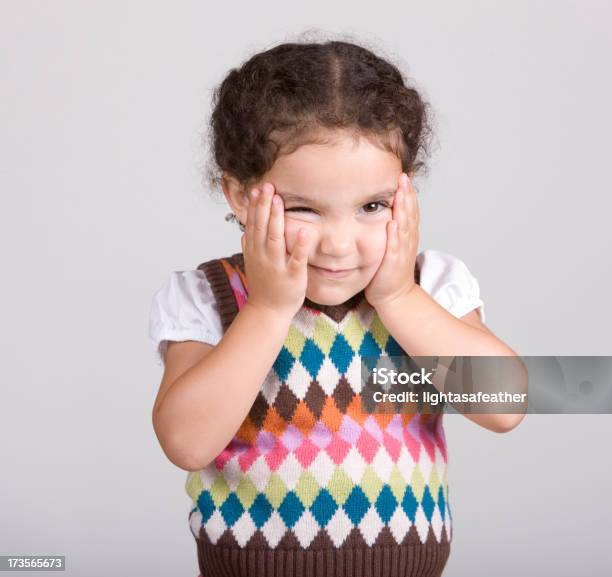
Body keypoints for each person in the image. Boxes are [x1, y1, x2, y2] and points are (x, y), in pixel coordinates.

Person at [148, 38, 524, 577]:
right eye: (304, 209)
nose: (340, 244)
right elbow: (186, 442)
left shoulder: (430, 287)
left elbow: (504, 405)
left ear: (405, 194)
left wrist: (398, 297)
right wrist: (269, 311)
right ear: (238, 195)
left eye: (373, 206)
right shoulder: (214, 295)